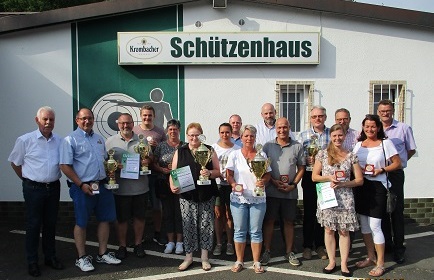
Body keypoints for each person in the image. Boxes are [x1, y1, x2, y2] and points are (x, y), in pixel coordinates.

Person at [60, 108, 121, 272]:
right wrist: (80, 184)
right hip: (83, 187)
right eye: (84, 118)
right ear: (77, 120)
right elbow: (64, 165)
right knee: (81, 222)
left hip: (101, 184)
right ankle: (81, 258)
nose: (87, 121)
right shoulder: (70, 140)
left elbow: (105, 162)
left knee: (104, 219)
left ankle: (102, 253)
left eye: (90, 118)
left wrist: (113, 168)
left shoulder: (99, 139)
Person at [8, 106, 64, 277]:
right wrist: (26, 180)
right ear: (37, 120)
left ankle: (50, 257)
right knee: (33, 225)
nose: (48, 122)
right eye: (45, 119)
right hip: (33, 189)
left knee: (50, 224)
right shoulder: (25, 140)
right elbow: (15, 163)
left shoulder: (60, 141)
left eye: (51, 119)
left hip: (53, 188)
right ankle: (32, 261)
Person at [312, 124, 364, 277]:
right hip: (328, 196)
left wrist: (343, 183)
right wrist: (329, 178)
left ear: (345, 136)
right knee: (328, 230)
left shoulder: (351, 155)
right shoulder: (322, 154)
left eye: (340, 135)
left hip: (345, 197)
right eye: (334, 136)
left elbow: (359, 180)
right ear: (331, 137)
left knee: (343, 231)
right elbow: (314, 176)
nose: (337, 138)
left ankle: (344, 264)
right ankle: (332, 261)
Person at [353, 114, 401, 277]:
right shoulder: (358, 145)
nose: (370, 129)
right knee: (364, 226)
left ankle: (380, 263)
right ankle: (370, 256)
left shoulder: (385, 144)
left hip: (378, 186)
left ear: (379, 127)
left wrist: (381, 170)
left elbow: (397, 163)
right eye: (367, 126)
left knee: (375, 225)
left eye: (373, 126)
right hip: (361, 186)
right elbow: (352, 164)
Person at [169, 123, 220, 271]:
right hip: (187, 195)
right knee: (188, 225)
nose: (193, 137)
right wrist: (172, 185)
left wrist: (209, 173)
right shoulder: (181, 151)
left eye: (196, 135)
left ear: (201, 135)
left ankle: (204, 257)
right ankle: (189, 257)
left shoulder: (209, 150)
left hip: (206, 194)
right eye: (191, 135)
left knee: (206, 225)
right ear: (187, 136)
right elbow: (173, 172)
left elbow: (218, 171)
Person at [226, 125, 271, 274]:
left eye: (251, 136)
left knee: (256, 231)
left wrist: (263, 181)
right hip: (239, 199)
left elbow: (267, 174)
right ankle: (239, 260)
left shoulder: (262, 155)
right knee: (239, 230)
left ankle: (256, 262)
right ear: (242, 137)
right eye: (246, 136)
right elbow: (229, 174)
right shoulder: (234, 154)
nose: (248, 138)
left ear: (255, 138)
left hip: (258, 198)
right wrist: (233, 184)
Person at [261, 118, 305, 267]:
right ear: (275, 129)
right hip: (272, 190)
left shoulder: (297, 146)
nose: (282, 130)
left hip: (289, 192)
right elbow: (263, 168)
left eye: (285, 127)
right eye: (279, 128)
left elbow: (301, 168)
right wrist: (273, 181)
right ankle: (267, 250)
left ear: (289, 127)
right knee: (269, 221)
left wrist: (293, 185)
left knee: (289, 222)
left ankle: (289, 252)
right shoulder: (267, 146)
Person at [105, 113, 149, 259]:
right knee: (122, 219)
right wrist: (113, 168)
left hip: (140, 187)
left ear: (132, 123)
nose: (125, 126)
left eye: (128, 123)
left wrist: (146, 161)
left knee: (140, 218)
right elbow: (105, 164)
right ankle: (122, 245)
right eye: (122, 123)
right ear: (118, 124)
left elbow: (150, 157)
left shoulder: (142, 140)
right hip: (121, 189)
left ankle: (138, 244)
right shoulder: (110, 142)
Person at [377, 99, 417, 264]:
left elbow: (411, 150)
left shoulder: (403, 128)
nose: (385, 113)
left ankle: (399, 249)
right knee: (382, 212)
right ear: (378, 112)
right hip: (379, 175)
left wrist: (396, 165)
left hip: (395, 175)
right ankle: (387, 246)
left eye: (388, 110)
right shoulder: (376, 129)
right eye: (382, 111)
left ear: (392, 110)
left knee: (396, 212)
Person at [297, 105, 330, 260]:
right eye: (314, 116)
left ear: (325, 117)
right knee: (309, 212)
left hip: (326, 179)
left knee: (323, 212)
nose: (318, 119)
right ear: (310, 119)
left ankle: (320, 245)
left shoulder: (332, 134)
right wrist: (306, 159)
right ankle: (307, 246)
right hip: (310, 177)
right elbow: (298, 158)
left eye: (320, 116)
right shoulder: (303, 136)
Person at [133, 105, 167, 245]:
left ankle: (157, 233)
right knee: (138, 206)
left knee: (156, 206)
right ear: (141, 116)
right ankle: (137, 237)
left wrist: (155, 147)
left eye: (150, 115)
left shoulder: (160, 132)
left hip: (154, 174)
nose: (147, 118)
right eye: (145, 115)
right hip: (137, 174)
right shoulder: (134, 131)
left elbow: (165, 151)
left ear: (154, 116)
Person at [154, 119, 184, 255]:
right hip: (164, 182)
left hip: (180, 183)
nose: (173, 131)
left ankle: (179, 242)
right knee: (167, 213)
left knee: (179, 213)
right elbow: (153, 163)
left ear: (179, 131)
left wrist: (178, 168)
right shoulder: (160, 146)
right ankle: (170, 241)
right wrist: (162, 169)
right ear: (167, 130)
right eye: (170, 129)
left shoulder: (184, 146)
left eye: (175, 129)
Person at [211, 123, 240, 256]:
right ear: (219, 134)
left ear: (231, 133)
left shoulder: (237, 149)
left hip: (231, 186)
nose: (225, 135)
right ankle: (218, 243)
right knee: (218, 215)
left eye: (227, 132)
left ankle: (229, 243)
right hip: (217, 185)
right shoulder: (213, 149)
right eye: (222, 132)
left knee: (229, 214)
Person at [335, 108, 359, 250]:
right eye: (339, 119)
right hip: (334, 181)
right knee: (333, 216)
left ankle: (348, 247)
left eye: (345, 119)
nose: (342, 121)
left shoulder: (358, 135)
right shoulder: (333, 134)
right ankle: (334, 247)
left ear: (349, 119)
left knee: (349, 214)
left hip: (352, 178)